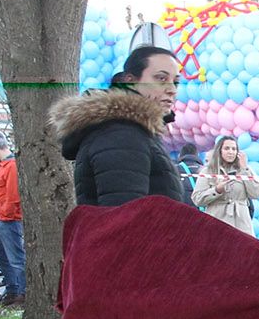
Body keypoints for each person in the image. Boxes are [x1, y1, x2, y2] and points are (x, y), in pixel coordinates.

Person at [52, 45, 188, 207]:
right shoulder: (121, 134)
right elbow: (123, 218)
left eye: (176, 82)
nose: (172, 89)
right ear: (130, 81)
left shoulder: (134, 131)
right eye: (161, 78)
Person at [193, 134, 259, 234]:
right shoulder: (208, 171)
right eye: (227, 148)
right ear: (219, 151)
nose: (231, 152)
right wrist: (216, 190)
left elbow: (257, 193)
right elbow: (197, 199)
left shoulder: (245, 170)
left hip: (241, 225)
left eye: (234, 149)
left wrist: (245, 170)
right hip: (216, 224)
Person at [0, 133, 24, 305]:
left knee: (15, 258)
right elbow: (1, 189)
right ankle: (13, 289)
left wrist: (5, 214)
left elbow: (13, 195)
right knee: (3, 257)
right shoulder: (2, 166)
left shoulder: (11, 166)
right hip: (1, 218)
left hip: (8, 219)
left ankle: (22, 291)